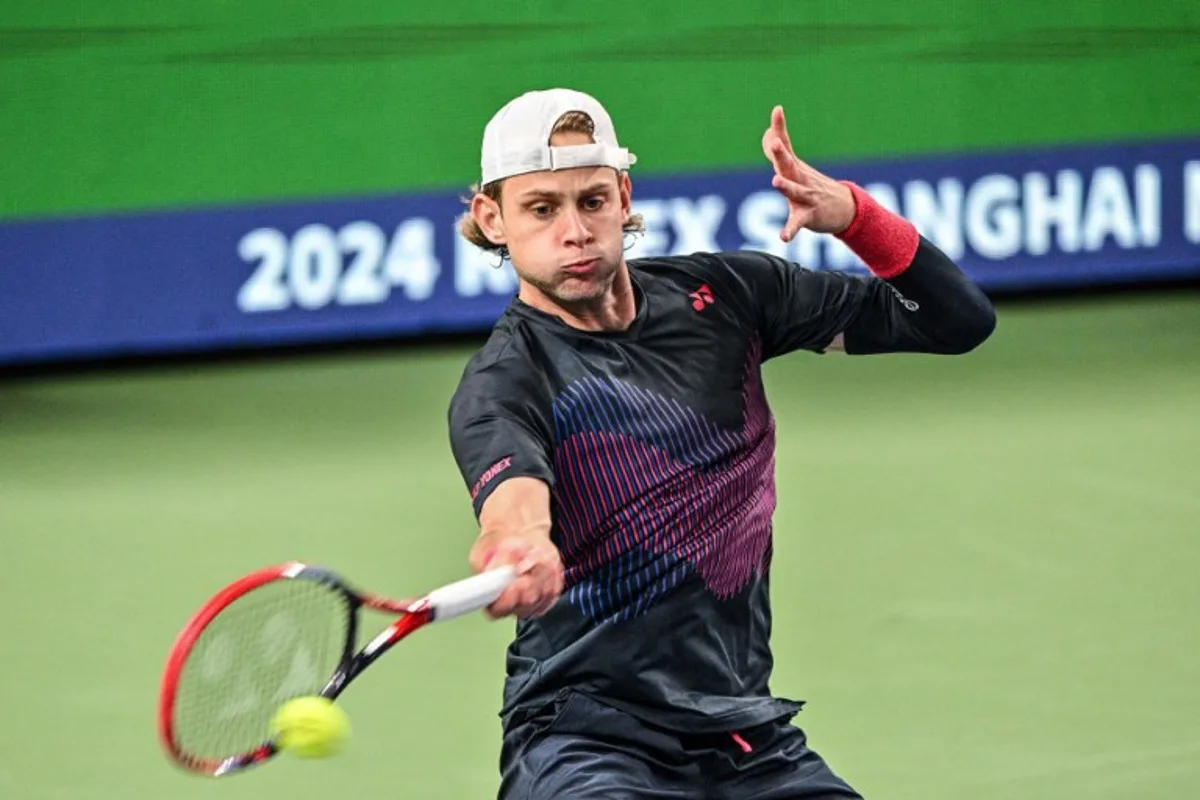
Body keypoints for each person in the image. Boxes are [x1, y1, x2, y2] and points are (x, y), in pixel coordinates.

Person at [448, 88, 995, 799]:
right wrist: (520, 544)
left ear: (623, 195)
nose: (575, 231)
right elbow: (513, 505)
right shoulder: (503, 381)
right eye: (542, 208)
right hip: (584, 743)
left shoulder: (728, 297)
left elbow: (955, 323)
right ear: (493, 220)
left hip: (747, 740)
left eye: (591, 200)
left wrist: (857, 219)